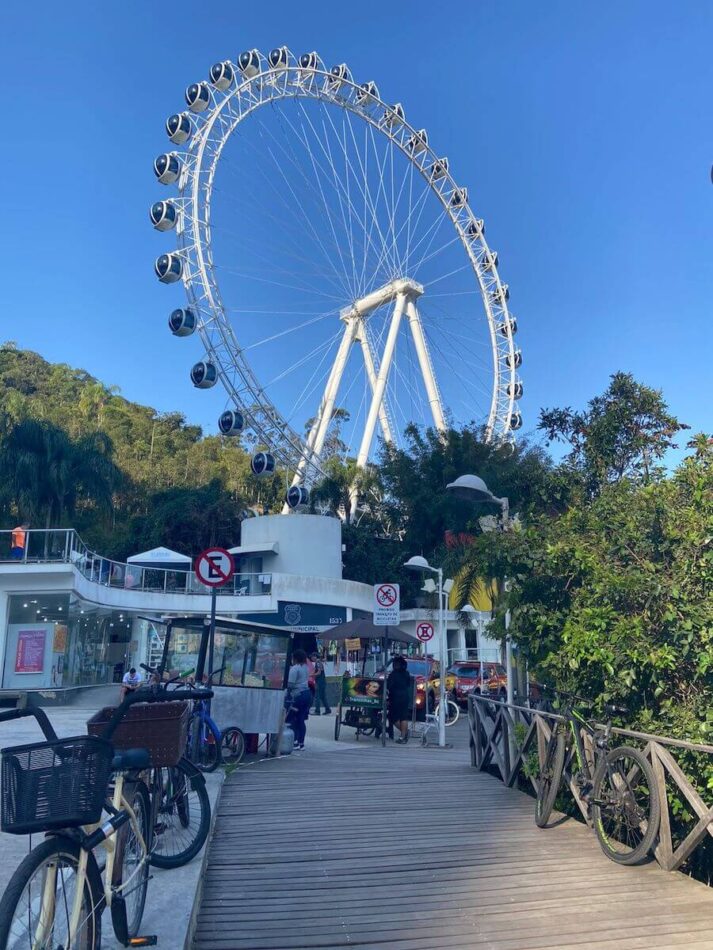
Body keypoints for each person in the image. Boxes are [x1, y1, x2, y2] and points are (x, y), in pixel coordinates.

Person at [287, 649, 312, 750]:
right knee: (301, 719)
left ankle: (294, 741)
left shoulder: (295, 668)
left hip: (298, 695)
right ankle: (301, 743)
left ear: (295, 658)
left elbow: (290, 684)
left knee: (292, 718)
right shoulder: (306, 667)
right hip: (307, 694)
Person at [387, 655, 412, 744]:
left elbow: (388, 686)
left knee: (392, 717)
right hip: (405, 696)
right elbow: (408, 684)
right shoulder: (407, 673)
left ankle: (404, 733)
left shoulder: (393, 675)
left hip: (395, 697)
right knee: (403, 717)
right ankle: (403, 736)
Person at [311, 651, 331, 715]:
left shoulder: (318, 662)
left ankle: (317, 711)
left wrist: (312, 675)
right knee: (323, 696)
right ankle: (328, 709)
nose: (311, 658)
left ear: (315, 656)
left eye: (312, 657)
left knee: (317, 696)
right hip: (322, 681)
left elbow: (319, 672)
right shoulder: (319, 662)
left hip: (320, 682)